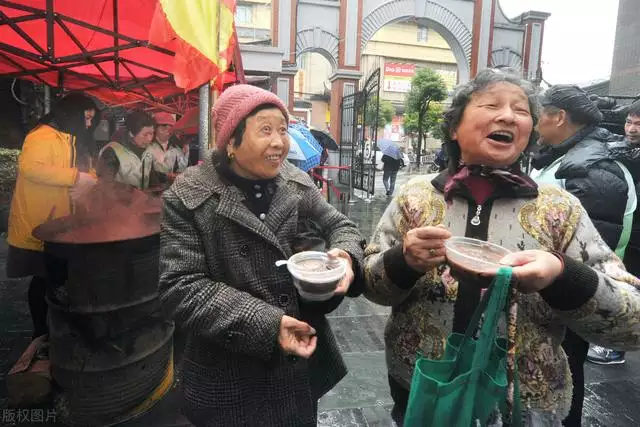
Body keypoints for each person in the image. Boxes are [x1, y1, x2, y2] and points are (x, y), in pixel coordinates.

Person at [362, 69, 640, 426]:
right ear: (454, 128)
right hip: (422, 389)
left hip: (523, 402)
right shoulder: (414, 197)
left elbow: (630, 323)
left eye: (521, 111)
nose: (508, 115)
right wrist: (403, 260)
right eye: (491, 104)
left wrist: (561, 276)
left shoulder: (559, 207)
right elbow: (371, 285)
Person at [158, 84, 366, 427]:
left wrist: (344, 254)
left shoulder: (295, 182)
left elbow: (340, 224)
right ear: (232, 142)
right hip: (226, 368)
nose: (279, 142)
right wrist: (267, 324)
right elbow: (180, 287)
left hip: (297, 362)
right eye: (265, 130)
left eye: (282, 130)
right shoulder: (188, 194)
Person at [531, 85, 635, 423]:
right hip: (547, 290)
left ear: (559, 117)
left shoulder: (594, 171)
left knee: (566, 373)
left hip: (570, 296)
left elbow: (589, 250)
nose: (532, 124)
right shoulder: (566, 160)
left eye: (537, 114)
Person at [7, 92, 99, 338]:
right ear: (71, 114)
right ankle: (40, 333)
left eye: (91, 120)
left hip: (64, 222)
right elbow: (31, 168)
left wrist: (89, 181)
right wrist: (76, 178)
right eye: (86, 118)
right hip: (40, 220)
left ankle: (59, 328)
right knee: (42, 279)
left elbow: (87, 171)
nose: (89, 124)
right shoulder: (41, 135)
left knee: (59, 278)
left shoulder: (75, 139)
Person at [590, 102, 640, 366]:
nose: (631, 129)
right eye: (629, 122)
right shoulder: (622, 148)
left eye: (638, 124)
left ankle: (615, 349)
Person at [97, 110, 155, 189]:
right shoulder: (111, 151)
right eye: (145, 134)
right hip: (118, 200)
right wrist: (131, 192)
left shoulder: (149, 150)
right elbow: (104, 183)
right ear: (131, 133)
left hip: (143, 200)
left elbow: (151, 178)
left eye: (151, 133)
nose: (149, 139)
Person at [144, 112, 189, 185]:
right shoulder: (147, 147)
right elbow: (145, 172)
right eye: (163, 128)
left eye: (170, 129)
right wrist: (165, 176)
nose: (167, 132)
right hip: (152, 190)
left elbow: (180, 168)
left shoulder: (175, 148)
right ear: (154, 129)